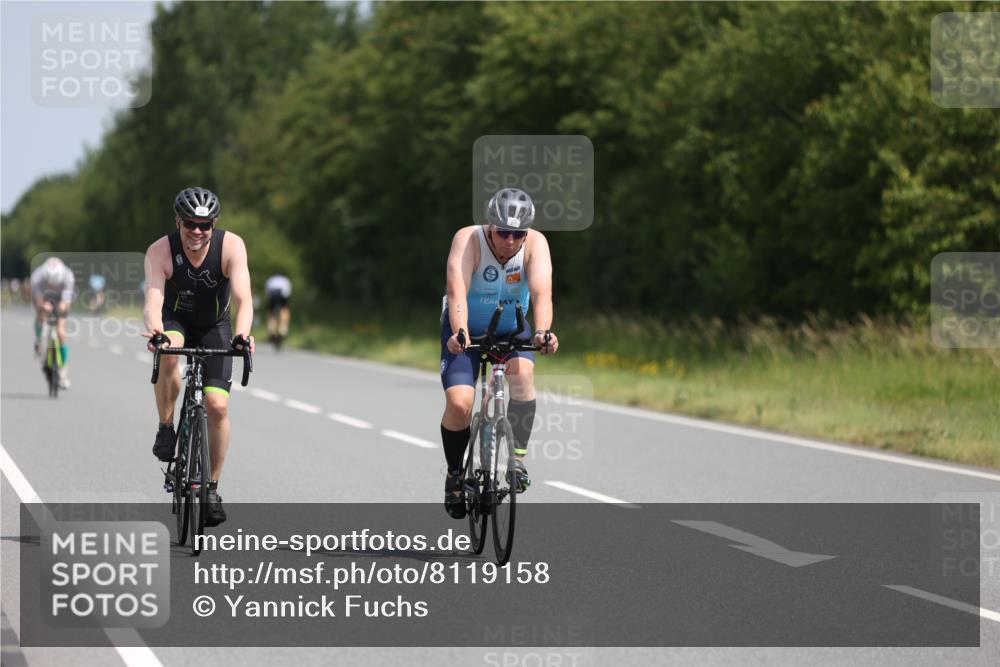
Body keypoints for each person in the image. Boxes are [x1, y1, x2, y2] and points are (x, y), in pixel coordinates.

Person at [439, 188, 559, 519]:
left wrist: (543, 332)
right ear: (490, 226)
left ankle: (516, 459)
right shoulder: (469, 239)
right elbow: (457, 290)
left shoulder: (536, 244)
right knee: (460, 403)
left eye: (517, 233)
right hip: (465, 330)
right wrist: (460, 331)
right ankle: (454, 475)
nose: (509, 240)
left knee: (523, 378)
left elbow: (541, 293)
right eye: (502, 232)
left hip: (512, 326)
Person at [143, 187, 254, 527]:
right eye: (190, 223)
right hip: (176, 320)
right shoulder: (160, 251)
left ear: (214, 225)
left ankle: (212, 488)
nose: (197, 231)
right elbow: (153, 299)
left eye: (205, 225)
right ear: (178, 221)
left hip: (215, 326)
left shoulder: (231, 246)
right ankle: (166, 425)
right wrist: (156, 332)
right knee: (169, 355)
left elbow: (244, 299)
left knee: (217, 406)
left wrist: (242, 334)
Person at [30, 257, 75, 389]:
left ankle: (63, 372)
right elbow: (38, 300)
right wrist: (43, 306)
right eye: (50, 283)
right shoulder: (37, 278)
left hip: (61, 297)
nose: (53, 286)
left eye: (55, 283)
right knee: (41, 315)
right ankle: (39, 340)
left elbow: (66, 301)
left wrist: (62, 306)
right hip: (43, 296)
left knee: (61, 330)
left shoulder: (68, 277)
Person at [264, 274, 292, 348]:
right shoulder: (285, 279)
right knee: (284, 309)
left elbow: (267, 293)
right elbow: (289, 292)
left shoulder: (271, 279)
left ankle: (271, 329)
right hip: (284, 292)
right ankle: (283, 328)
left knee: (271, 311)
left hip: (272, 292)